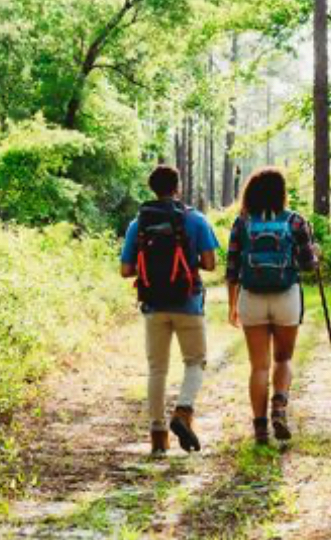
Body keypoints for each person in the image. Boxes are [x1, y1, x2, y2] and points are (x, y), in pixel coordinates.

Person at [120, 165, 219, 456]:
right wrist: (187, 266)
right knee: (195, 361)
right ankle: (183, 411)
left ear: (152, 188)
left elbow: (126, 270)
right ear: (178, 187)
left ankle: (158, 435)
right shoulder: (195, 219)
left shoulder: (138, 224)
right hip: (188, 302)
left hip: (153, 304)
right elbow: (211, 264)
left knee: (157, 369)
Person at [226, 167, 319, 444]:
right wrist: (315, 257)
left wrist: (232, 306)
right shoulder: (296, 221)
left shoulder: (242, 222)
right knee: (283, 359)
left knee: (259, 367)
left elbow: (231, 269)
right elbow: (307, 265)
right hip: (286, 297)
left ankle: (260, 429)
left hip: (251, 298)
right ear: (281, 192)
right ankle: (279, 406)